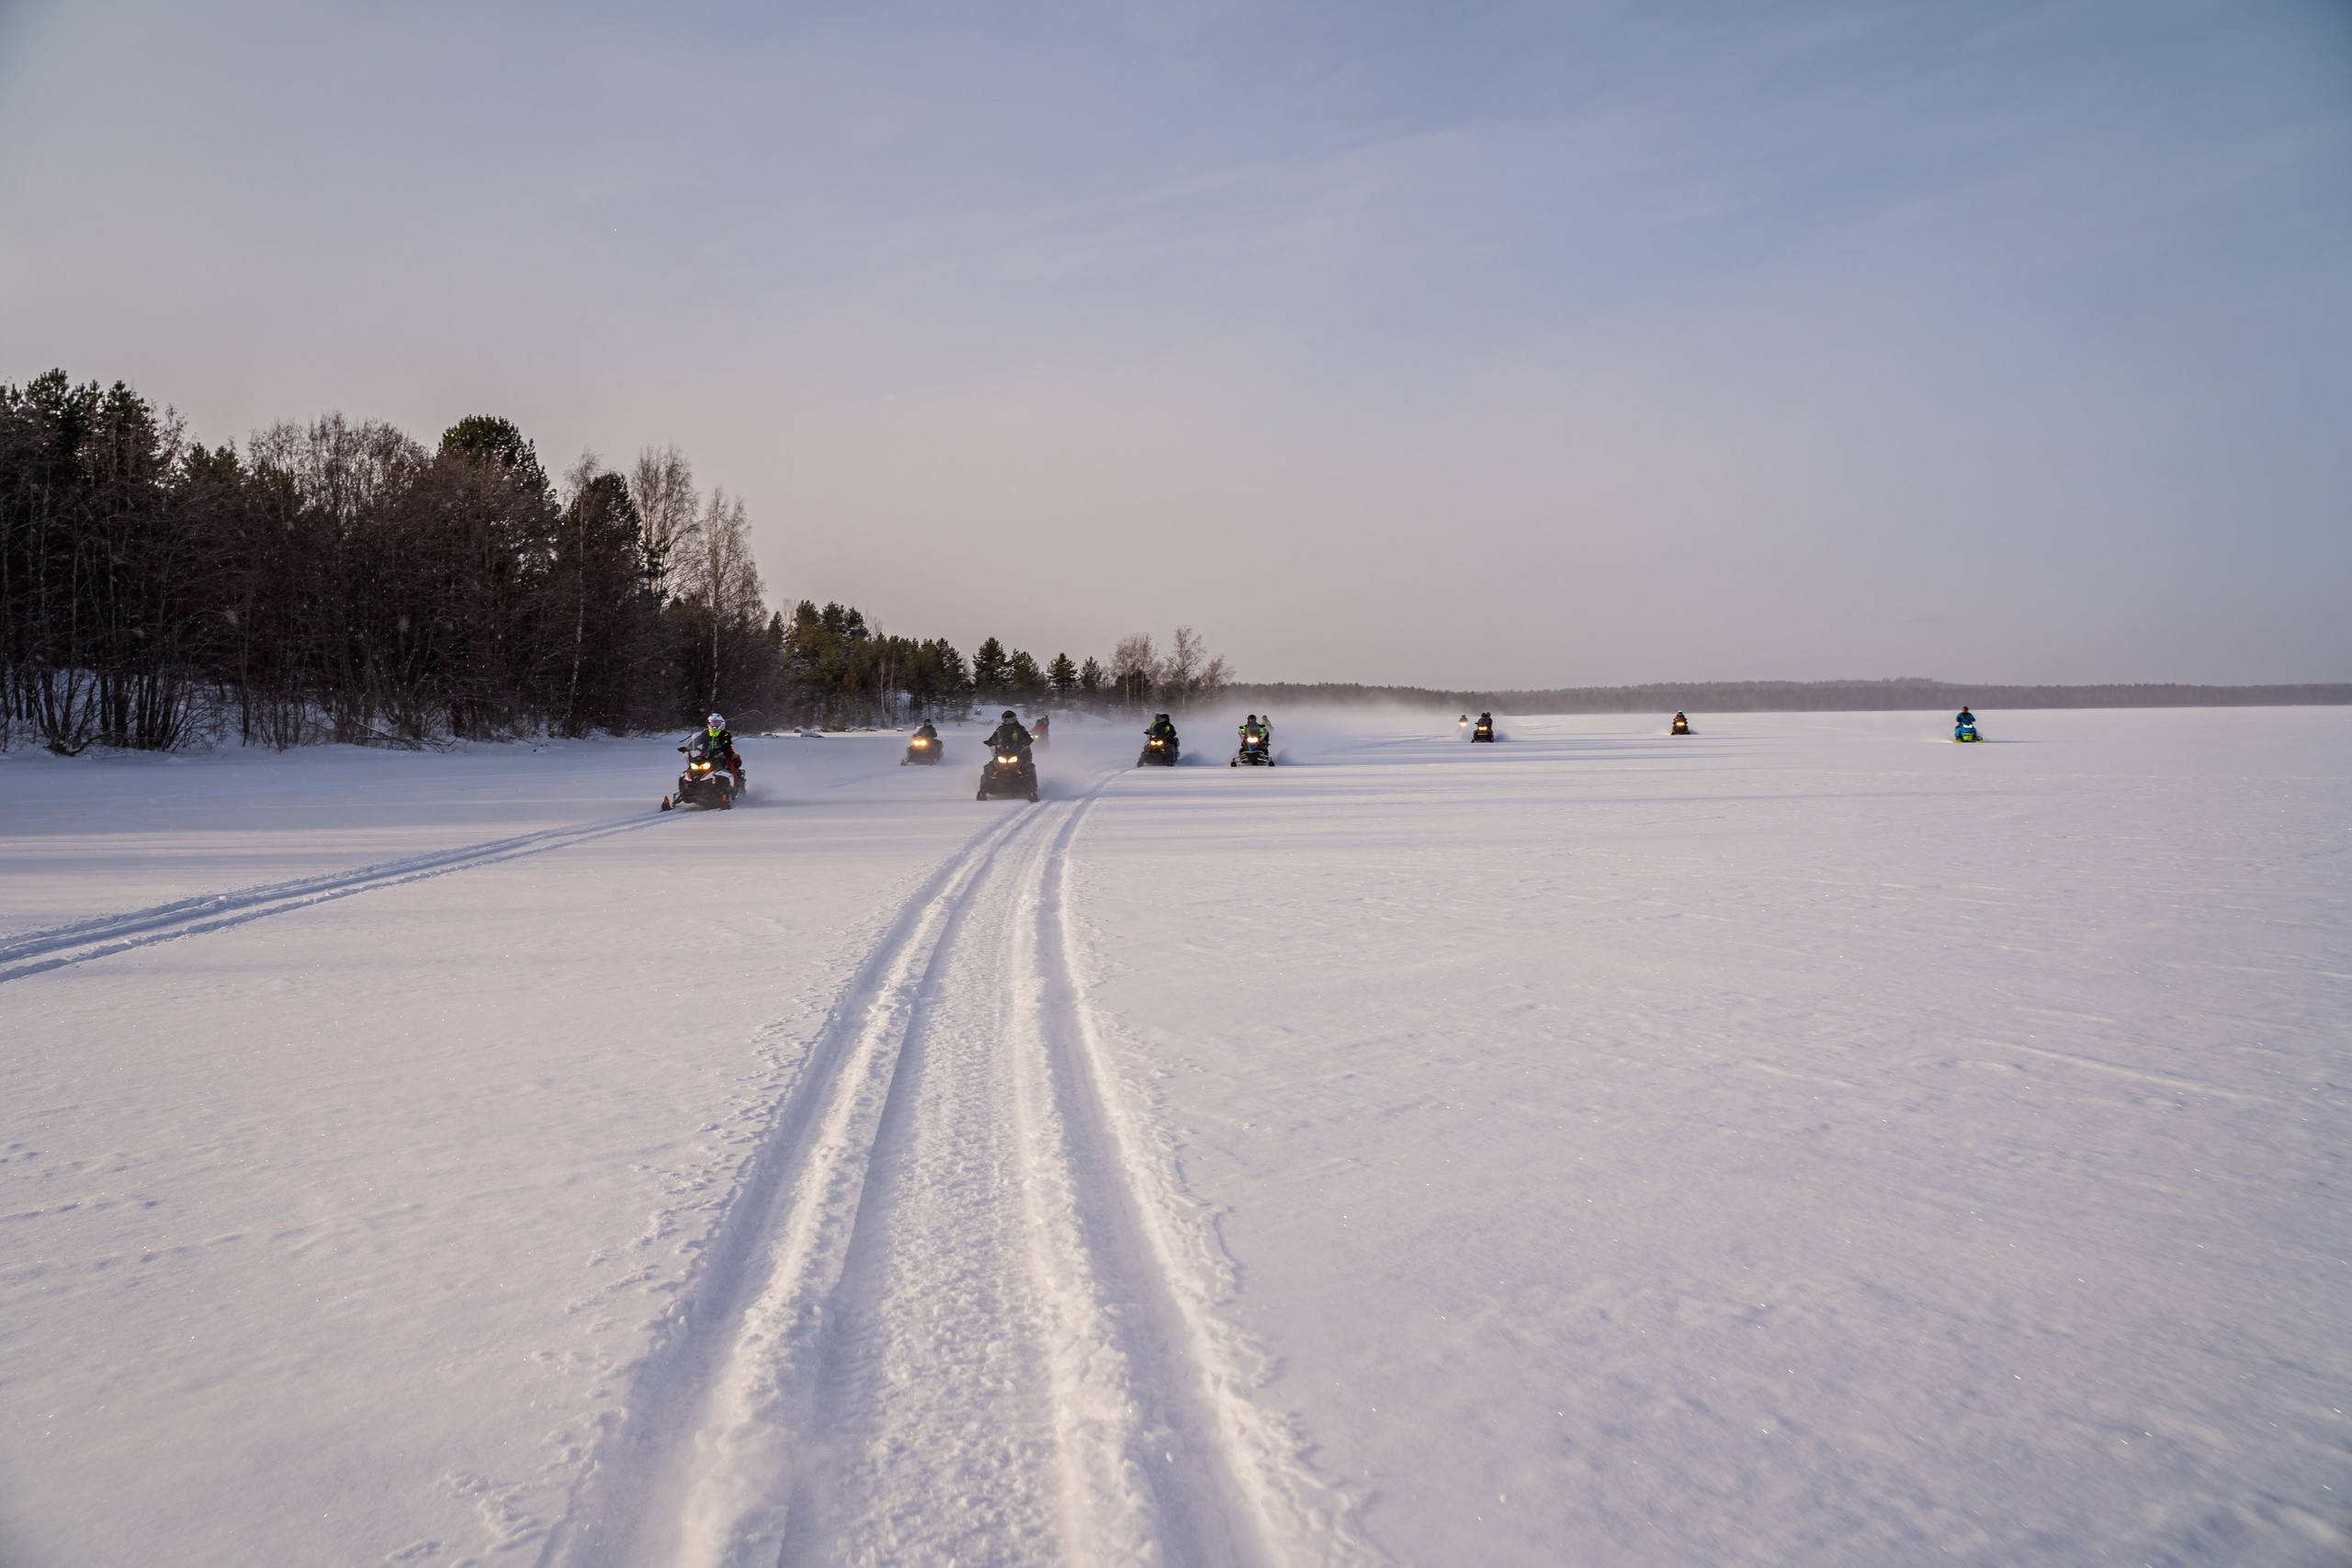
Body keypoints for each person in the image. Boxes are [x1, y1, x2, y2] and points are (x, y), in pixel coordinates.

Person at [689, 713, 743, 787]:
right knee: (691, 768)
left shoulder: (724, 734)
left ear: (721, 723)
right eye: (713, 722)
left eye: (717, 722)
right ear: (709, 723)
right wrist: (689, 747)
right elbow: (698, 740)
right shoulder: (706, 734)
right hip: (705, 755)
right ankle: (688, 787)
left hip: (721, 755)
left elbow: (727, 743)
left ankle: (735, 785)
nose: (715, 725)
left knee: (730, 765)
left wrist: (722, 746)